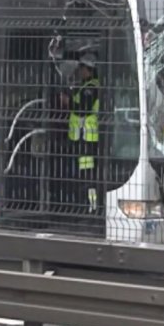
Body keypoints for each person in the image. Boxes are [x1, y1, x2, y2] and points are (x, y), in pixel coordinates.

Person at [58, 52, 100, 215]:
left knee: (87, 175)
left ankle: (91, 206)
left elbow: (83, 108)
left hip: (87, 138)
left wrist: (67, 102)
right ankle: (84, 204)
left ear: (88, 69)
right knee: (81, 174)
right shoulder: (84, 85)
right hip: (80, 137)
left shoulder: (91, 87)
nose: (79, 71)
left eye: (81, 68)